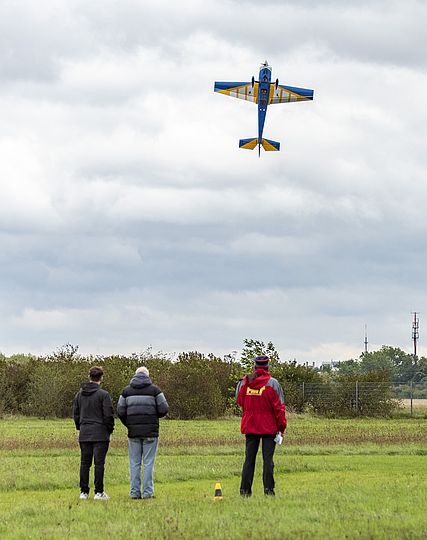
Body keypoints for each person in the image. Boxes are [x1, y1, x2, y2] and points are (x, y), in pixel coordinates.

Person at [235, 355, 286, 496]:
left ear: (255, 366)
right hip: (269, 428)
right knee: (268, 460)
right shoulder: (273, 384)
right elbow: (280, 408)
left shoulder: (244, 383)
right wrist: (281, 428)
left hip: (250, 426)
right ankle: (269, 491)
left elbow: (239, 401)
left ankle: (245, 491)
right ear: (267, 366)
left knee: (249, 460)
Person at [117, 366, 169, 499]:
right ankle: (147, 493)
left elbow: (120, 411)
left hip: (133, 432)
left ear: (135, 375)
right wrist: (153, 416)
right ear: (147, 376)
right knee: (148, 463)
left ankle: (134, 492)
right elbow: (164, 408)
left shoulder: (126, 392)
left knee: (134, 463)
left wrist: (129, 424)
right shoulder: (155, 390)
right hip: (151, 432)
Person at [73, 366, 114, 501]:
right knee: (99, 463)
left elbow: (76, 414)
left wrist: (80, 427)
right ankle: (99, 492)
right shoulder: (104, 395)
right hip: (100, 433)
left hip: (85, 432)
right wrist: (109, 429)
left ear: (89, 376)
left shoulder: (79, 395)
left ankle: (84, 492)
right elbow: (108, 415)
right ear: (101, 378)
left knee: (85, 463)